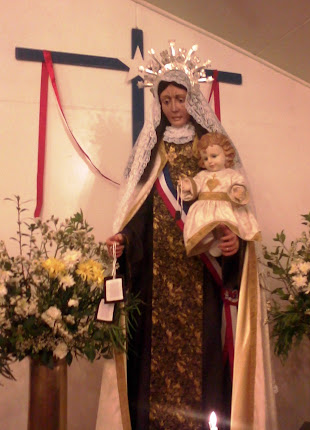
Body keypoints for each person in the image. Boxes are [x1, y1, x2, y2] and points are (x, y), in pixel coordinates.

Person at [96, 42, 278, 430]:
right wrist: (126, 239)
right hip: (157, 275)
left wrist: (235, 244)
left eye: (180, 98)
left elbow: (231, 205)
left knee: (206, 357)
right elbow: (141, 211)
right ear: (158, 104)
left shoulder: (209, 148)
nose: (174, 107)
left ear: (191, 98)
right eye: (167, 100)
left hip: (201, 271)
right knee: (152, 358)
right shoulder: (152, 152)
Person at [179, 131, 261, 258]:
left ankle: (220, 242)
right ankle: (211, 242)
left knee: (226, 224)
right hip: (204, 209)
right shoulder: (202, 175)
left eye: (214, 156)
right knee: (203, 227)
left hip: (224, 208)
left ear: (226, 155)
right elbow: (195, 185)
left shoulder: (231, 174)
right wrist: (188, 186)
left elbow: (239, 184)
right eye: (206, 158)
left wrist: (238, 191)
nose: (210, 161)